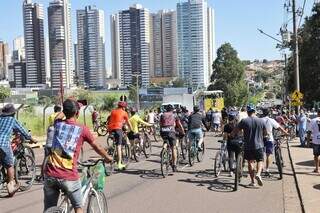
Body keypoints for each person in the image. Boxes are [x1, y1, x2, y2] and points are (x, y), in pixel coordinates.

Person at [43, 99, 113, 213]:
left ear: (64, 112)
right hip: (68, 175)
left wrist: (66, 109)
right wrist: (107, 158)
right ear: (77, 113)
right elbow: (97, 147)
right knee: (78, 207)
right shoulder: (82, 129)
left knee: (48, 208)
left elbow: (58, 117)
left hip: (50, 173)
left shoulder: (57, 124)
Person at [0, 104, 37, 197]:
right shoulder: (12, 120)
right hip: (3, 144)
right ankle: (11, 187)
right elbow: (23, 131)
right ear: (13, 113)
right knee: (10, 165)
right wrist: (31, 139)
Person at [232, 104, 266, 187]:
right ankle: (258, 174)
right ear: (254, 112)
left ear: (247, 112)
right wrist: (265, 136)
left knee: (250, 162)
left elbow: (236, 130)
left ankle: (253, 181)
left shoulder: (244, 121)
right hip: (259, 145)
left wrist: (232, 135)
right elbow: (265, 133)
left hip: (248, 146)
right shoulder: (261, 121)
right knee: (260, 160)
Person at [261, 108, 288, 176]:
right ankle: (267, 169)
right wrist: (286, 133)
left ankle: (260, 168)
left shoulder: (259, 120)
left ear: (262, 113)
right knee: (268, 155)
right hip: (269, 139)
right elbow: (279, 127)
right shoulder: (271, 120)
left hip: (260, 139)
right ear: (269, 113)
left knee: (261, 155)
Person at [107, 101, 132, 170]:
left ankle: (111, 151)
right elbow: (128, 123)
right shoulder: (124, 113)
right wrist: (131, 130)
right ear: (124, 107)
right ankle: (119, 163)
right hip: (118, 129)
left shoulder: (113, 111)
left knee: (115, 142)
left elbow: (110, 120)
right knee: (119, 145)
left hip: (110, 129)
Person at [159, 104, 185, 172]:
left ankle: (164, 148)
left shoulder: (162, 115)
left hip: (163, 131)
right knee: (173, 148)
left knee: (165, 141)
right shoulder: (175, 115)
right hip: (171, 131)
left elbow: (160, 124)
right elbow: (179, 124)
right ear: (172, 110)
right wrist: (182, 132)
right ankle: (174, 165)